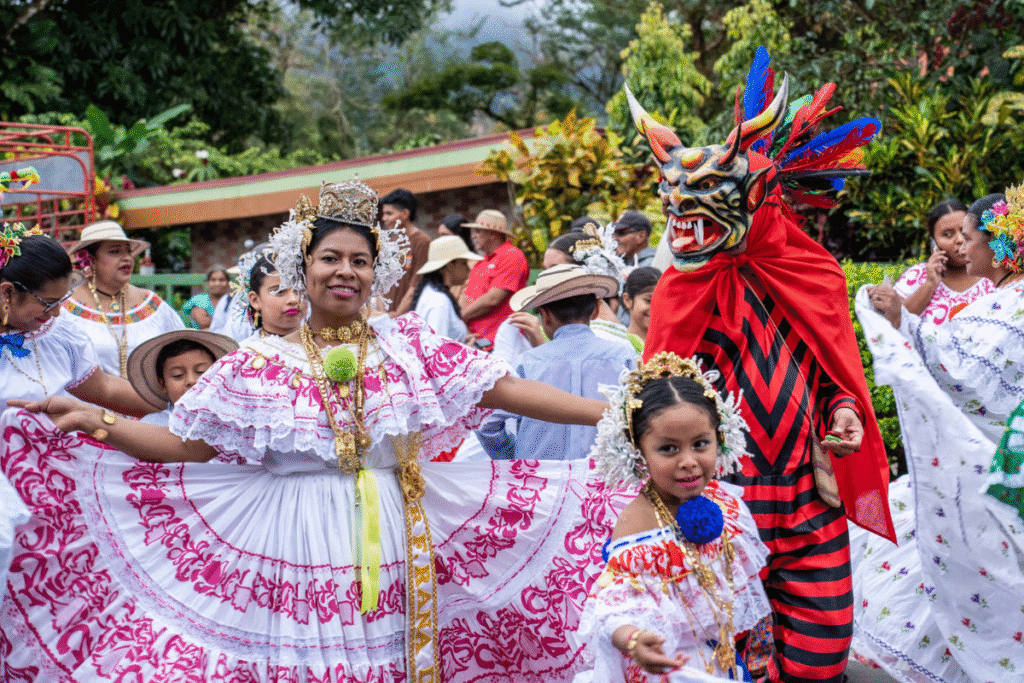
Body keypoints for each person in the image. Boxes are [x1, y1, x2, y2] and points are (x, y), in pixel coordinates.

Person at [2, 179, 625, 682]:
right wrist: (101, 422)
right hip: (294, 541)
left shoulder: (407, 346)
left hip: (395, 532)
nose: (344, 272)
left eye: (359, 260)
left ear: (377, 272)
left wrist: (615, 414)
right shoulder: (260, 362)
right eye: (330, 258)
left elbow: (506, 389)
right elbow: (188, 445)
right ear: (303, 267)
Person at [627, 47, 894, 682]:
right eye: (672, 195)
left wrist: (849, 411)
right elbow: (657, 400)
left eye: (705, 194)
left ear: (755, 197)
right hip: (721, 503)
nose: (680, 211)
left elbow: (834, 380)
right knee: (725, 655)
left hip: (807, 496)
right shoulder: (679, 291)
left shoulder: (810, 274)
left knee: (821, 652)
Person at [851, 185, 1024, 683]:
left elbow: (968, 376)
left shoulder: (1011, 306)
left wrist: (900, 320)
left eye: (970, 238)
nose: (961, 249)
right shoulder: (1002, 298)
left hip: (988, 474)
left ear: (1003, 247)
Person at [574, 352, 774, 682]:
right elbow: (612, 605)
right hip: (672, 665)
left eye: (700, 444)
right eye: (668, 449)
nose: (689, 461)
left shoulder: (723, 499)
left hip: (721, 660)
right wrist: (635, 640)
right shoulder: (639, 524)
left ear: (720, 439)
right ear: (637, 451)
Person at [477, 264, 637, 460]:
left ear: (545, 315)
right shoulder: (623, 355)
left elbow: (487, 425)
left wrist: (514, 456)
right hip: (606, 478)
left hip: (540, 480)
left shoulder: (526, 363)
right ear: (595, 310)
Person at [63, 220, 185, 377]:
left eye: (128, 251)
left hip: (145, 401)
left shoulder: (151, 303)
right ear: (91, 260)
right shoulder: (66, 306)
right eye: (115, 252)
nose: (127, 258)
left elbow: (182, 350)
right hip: (87, 401)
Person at [892, 199, 994, 324]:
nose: (960, 239)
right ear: (933, 242)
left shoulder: (993, 272)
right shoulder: (916, 275)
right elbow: (896, 323)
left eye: (964, 231)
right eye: (947, 234)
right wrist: (930, 283)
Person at [127, 329, 238, 426]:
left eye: (201, 372)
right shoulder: (151, 427)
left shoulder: (233, 423)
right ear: (163, 384)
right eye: (178, 375)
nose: (191, 381)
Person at [459, 209, 529, 350]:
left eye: (478, 232)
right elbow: (465, 297)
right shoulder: (480, 263)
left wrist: (460, 318)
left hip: (503, 344)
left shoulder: (512, 256)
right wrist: (465, 329)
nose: (473, 236)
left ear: (493, 234)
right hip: (478, 343)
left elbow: (493, 300)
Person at [411, 235, 480, 341]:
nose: (468, 268)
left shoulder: (431, 291)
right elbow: (435, 349)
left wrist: (460, 341)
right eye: (464, 263)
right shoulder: (439, 301)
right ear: (450, 266)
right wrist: (465, 348)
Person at [236, 246, 306, 344]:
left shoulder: (326, 347)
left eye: (299, 290)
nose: (294, 299)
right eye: (279, 292)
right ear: (255, 300)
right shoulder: (243, 355)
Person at [380, 188, 431, 315]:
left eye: (389, 213)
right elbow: (379, 282)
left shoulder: (422, 242)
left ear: (405, 214)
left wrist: (397, 315)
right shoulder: (389, 240)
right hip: (384, 314)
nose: (384, 218)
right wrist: (383, 314)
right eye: (383, 213)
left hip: (407, 317)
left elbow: (415, 286)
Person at [621, 267, 660, 354]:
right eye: (648, 301)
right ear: (627, 300)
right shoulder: (619, 344)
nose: (655, 308)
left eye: (661, 301)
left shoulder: (669, 345)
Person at [181, 265, 231, 329]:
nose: (217, 284)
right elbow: (203, 324)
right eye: (213, 280)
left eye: (221, 280)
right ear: (207, 283)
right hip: (202, 338)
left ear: (228, 283)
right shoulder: (199, 300)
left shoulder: (233, 300)